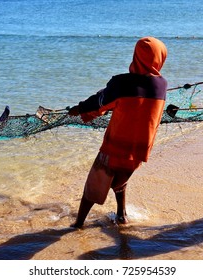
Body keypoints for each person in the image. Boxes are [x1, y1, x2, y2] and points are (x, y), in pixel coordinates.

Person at [68, 37, 168, 228]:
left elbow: (100, 103)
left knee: (95, 185)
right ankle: (121, 215)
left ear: (136, 56)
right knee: (120, 179)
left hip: (115, 145)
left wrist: (79, 109)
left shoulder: (121, 82)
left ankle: (77, 225)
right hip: (139, 149)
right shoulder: (162, 85)